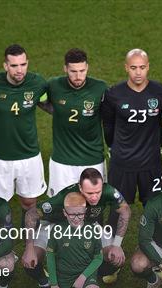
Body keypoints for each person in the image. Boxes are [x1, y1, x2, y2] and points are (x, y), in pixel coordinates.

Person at [23, 168, 130, 288]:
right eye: (89, 193)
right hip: (55, 225)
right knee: (31, 261)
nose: (94, 197)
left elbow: (125, 210)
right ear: (80, 187)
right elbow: (31, 214)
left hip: (89, 226)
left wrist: (117, 244)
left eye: (98, 192)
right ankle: (45, 285)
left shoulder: (109, 191)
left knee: (116, 259)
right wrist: (29, 247)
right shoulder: (64, 197)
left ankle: (87, 279)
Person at [0, 44, 48, 231]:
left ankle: (31, 244)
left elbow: (48, 103)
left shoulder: (38, 83)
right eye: (14, 65)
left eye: (23, 64)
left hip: (29, 155)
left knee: (29, 201)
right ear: (5, 66)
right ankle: (3, 244)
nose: (19, 70)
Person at [100, 48, 162, 207]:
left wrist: (157, 145)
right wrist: (114, 147)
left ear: (148, 66)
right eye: (133, 68)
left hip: (151, 163)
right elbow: (108, 126)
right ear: (126, 67)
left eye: (142, 67)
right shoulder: (113, 94)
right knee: (118, 209)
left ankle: (153, 233)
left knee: (156, 208)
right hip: (122, 164)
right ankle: (115, 234)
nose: (138, 72)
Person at [40, 48, 108, 197]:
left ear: (87, 67)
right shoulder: (53, 85)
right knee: (59, 205)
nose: (78, 76)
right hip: (62, 161)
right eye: (73, 71)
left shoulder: (100, 88)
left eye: (82, 71)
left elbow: (110, 115)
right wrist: (56, 111)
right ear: (65, 68)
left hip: (92, 159)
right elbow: (39, 99)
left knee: (94, 203)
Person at [46, 192, 109, 288]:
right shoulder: (57, 230)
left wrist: (83, 277)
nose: (76, 218)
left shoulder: (92, 230)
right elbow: (50, 257)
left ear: (85, 211)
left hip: (85, 273)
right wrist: (54, 284)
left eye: (80, 214)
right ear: (64, 212)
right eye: (72, 214)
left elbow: (98, 257)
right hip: (65, 276)